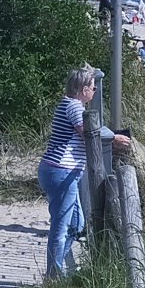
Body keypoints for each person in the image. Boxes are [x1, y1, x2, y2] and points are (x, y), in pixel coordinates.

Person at [39, 68, 130, 277]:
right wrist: (115, 138)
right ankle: (54, 276)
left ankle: (59, 267)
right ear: (83, 89)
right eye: (92, 86)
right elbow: (88, 132)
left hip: (63, 171)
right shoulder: (73, 107)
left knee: (76, 223)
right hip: (61, 170)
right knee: (61, 227)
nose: (95, 90)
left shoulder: (69, 105)